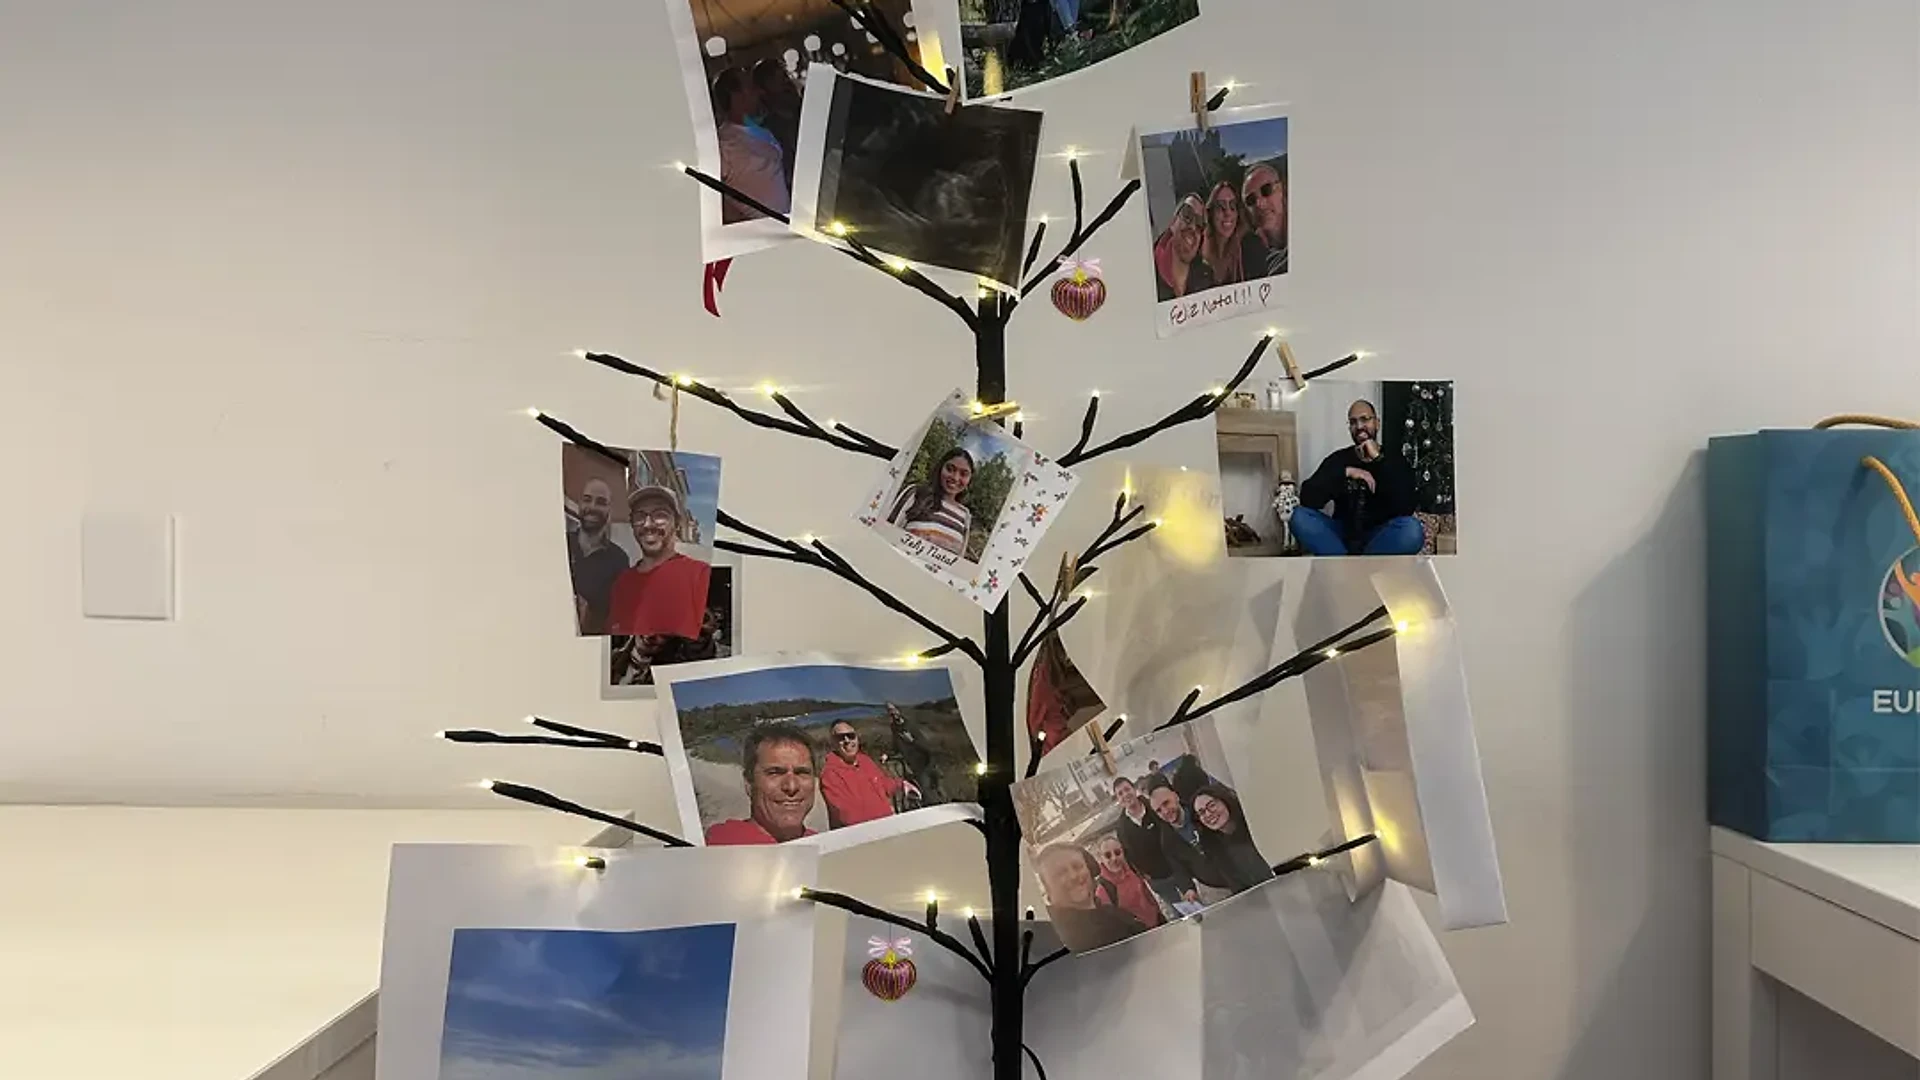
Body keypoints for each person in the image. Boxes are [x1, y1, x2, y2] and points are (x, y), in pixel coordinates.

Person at [1292, 399, 1424, 556]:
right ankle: (1348, 563)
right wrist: (1345, 472)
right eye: (1353, 422)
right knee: (1298, 516)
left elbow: (1406, 506)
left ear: (1377, 423)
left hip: (1380, 536)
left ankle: (1352, 564)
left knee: (1412, 530)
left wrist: (1378, 459)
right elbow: (1308, 499)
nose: (1359, 426)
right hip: (1341, 535)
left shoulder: (1394, 459)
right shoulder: (1338, 459)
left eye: (1365, 419)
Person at [606, 486, 712, 638]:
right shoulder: (621, 583)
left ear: (677, 523)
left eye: (660, 515)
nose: (648, 524)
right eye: (640, 516)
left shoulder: (700, 575)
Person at [705, 722, 819, 844]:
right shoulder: (722, 845)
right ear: (749, 783)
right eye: (775, 773)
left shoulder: (821, 843)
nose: (791, 786)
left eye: (802, 772)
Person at [711, 67, 789, 223]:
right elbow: (711, 193)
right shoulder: (723, 143)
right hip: (760, 232)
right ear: (736, 96)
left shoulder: (764, 132)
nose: (759, 92)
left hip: (785, 224)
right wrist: (748, 224)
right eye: (751, 87)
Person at [1036, 843, 1147, 951]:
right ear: (1047, 887)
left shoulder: (1115, 915)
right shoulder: (1051, 941)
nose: (1073, 876)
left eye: (1077, 867)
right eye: (1060, 873)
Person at [1147, 776, 1235, 903]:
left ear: (1176, 796)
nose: (1165, 811)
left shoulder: (1199, 811)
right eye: (1159, 811)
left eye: (1166, 803)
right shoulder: (1166, 840)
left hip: (1237, 870)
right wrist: (1188, 888)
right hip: (1216, 888)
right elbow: (1178, 868)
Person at [819, 720, 918, 829]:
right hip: (862, 833)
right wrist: (887, 816)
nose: (847, 740)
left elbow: (882, 783)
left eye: (851, 736)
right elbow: (847, 816)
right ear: (833, 743)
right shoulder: (830, 774)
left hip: (887, 826)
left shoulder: (865, 760)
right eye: (840, 737)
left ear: (857, 738)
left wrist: (902, 784)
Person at [887, 447, 974, 558]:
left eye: (963, 474)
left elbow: (957, 561)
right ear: (940, 468)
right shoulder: (916, 493)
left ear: (970, 478)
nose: (955, 478)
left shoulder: (965, 516)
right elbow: (886, 531)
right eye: (950, 469)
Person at [569, 477, 630, 634]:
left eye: (601, 502)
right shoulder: (562, 543)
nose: (592, 507)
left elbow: (619, 618)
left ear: (610, 509)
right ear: (580, 503)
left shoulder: (619, 560)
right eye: (587, 499)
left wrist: (589, 618)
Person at [1110, 776, 1180, 906]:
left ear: (1134, 789)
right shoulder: (1122, 828)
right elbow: (1128, 856)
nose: (1125, 795)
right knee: (1179, 910)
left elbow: (1173, 828)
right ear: (1118, 799)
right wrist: (1143, 875)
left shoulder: (1154, 806)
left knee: (1195, 904)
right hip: (1158, 880)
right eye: (1120, 793)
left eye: (1127, 789)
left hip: (1178, 868)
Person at [1191, 784, 1272, 892]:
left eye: (1212, 805)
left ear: (1224, 800)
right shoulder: (1213, 846)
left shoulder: (1253, 821)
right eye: (1201, 812)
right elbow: (1235, 884)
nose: (1208, 814)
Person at [1091, 832, 1165, 929]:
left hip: (1157, 923)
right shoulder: (1103, 890)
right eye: (1108, 855)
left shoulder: (1132, 870)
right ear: (1100, 858)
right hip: (1139, 933)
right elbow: (1111, 924)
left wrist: (1159, 915)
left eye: (1117, 852)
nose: (1114, 858)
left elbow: (1148, 896)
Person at [750, 59, 802, 189]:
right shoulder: (765, 133)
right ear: (763, 91)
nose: (787, 84)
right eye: (776, 80)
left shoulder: (809, 111)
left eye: (785, 76)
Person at [1152, 194, 1215, 301]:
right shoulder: (1149, 272)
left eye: (1199, 224)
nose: (1193, 227)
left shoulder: (1206, 279)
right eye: (1187, 215)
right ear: (1173, 223)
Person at [1200, 180, 1253, 287]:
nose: (1228, 213)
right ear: (1211, 213)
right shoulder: (1200, 251)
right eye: (1221, 206)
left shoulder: (1250, 246)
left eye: (1233, 206)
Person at [1241, 163, 1288, 277]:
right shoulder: (1250, 257)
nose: (1259, 204)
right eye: (1251, 200)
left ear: (1282, 190)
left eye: (1266, 190)